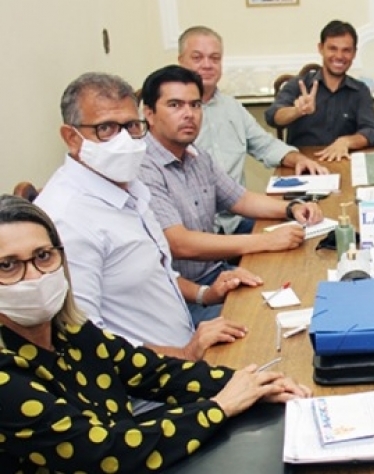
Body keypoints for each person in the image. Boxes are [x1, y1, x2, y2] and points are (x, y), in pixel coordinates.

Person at [0, 194, 310, 473]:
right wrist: (220, 406)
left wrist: (250, 383)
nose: (34, 277)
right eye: (8, 265)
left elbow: (155, 373)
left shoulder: (71, 331)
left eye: (43, 256)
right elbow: (103, 453)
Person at [36, 72, 253, 358]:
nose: (124, 140)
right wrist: (187, 353)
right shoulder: (67, 220)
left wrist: (205, 294)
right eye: (106, 129)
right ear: (71, 137)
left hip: (185, 348)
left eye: (130, 126)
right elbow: (86, 343)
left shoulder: (130, 187)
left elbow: (155, 271)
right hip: (149, 389)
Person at [138, 65, 322, 324]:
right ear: (149, 114)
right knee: (266, 324)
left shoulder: (196, 156)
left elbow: (241, 199)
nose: (189, 114)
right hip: (182, 298)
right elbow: (179, 244)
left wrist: (292, 208)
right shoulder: (143, 167)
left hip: (218, 275)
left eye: (195, 105)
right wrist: (265, 241)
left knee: (304, 291)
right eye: (175, 105)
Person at [177, 26, 328, 236]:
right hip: (195, 230)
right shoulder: (172, 117)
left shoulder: (232, 107)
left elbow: (265, 145)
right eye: (197, 58)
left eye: (214, 58)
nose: (207, 65)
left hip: (236, 220)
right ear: (181, 60)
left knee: (310, 235)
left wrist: (298, 159)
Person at [265, 20, 374, 159]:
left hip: (344, 160)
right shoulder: (299, 84)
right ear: (321, 48)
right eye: (332, 48)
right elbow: (272, 116)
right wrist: (296, 111)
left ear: (354, 54)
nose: (339, 56)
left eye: (346, 50)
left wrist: (346, 141)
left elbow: (373, 131)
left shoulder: (360, 91)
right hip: (302, 162)